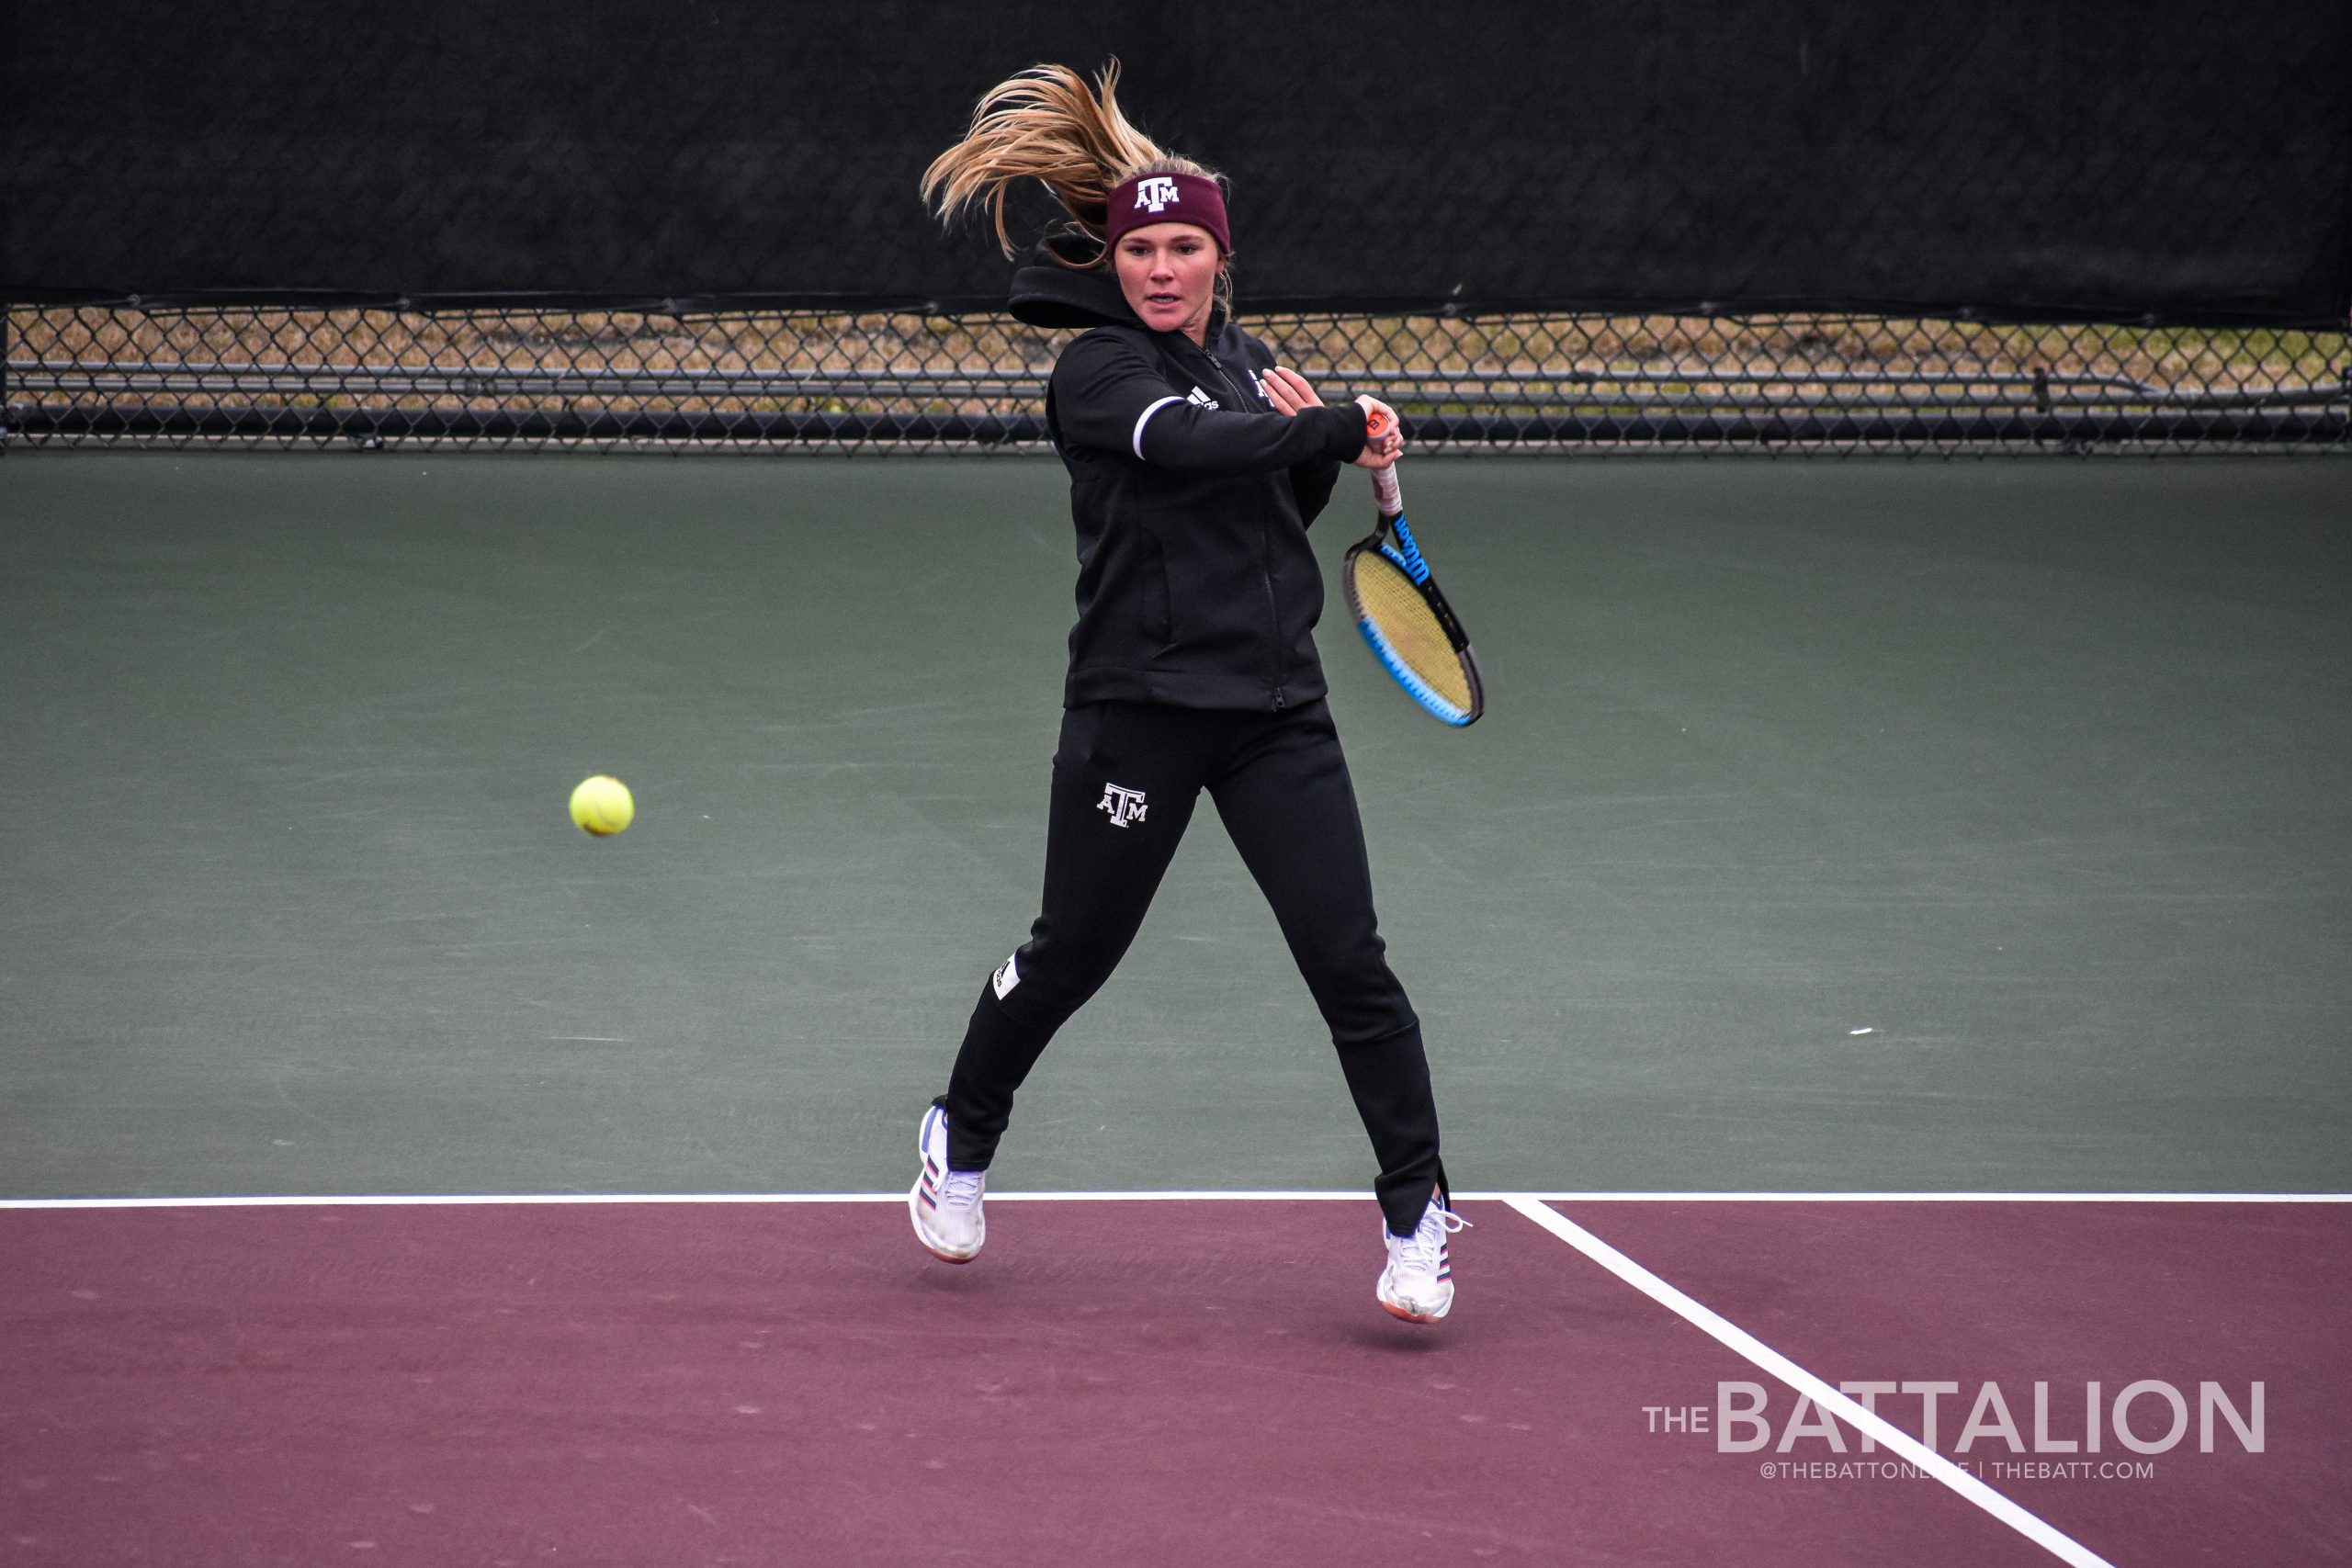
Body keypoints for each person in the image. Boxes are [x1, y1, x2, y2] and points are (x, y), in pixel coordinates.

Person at [910, 62, 1465, 1322]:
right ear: (1114, 264)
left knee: (1350, 963)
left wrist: (1342, 451)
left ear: (1219, 259)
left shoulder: (1254, 369)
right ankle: (961, 1132)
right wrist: (1324, 425)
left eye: (1184, 248)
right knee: (1072, 955)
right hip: (1139, 712)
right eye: (1142, 248)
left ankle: (1419, 1215)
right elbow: (1187, 449)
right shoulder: (1099, 378)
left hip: (1275, 712)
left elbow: (1267, 509)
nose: (1162, 269)